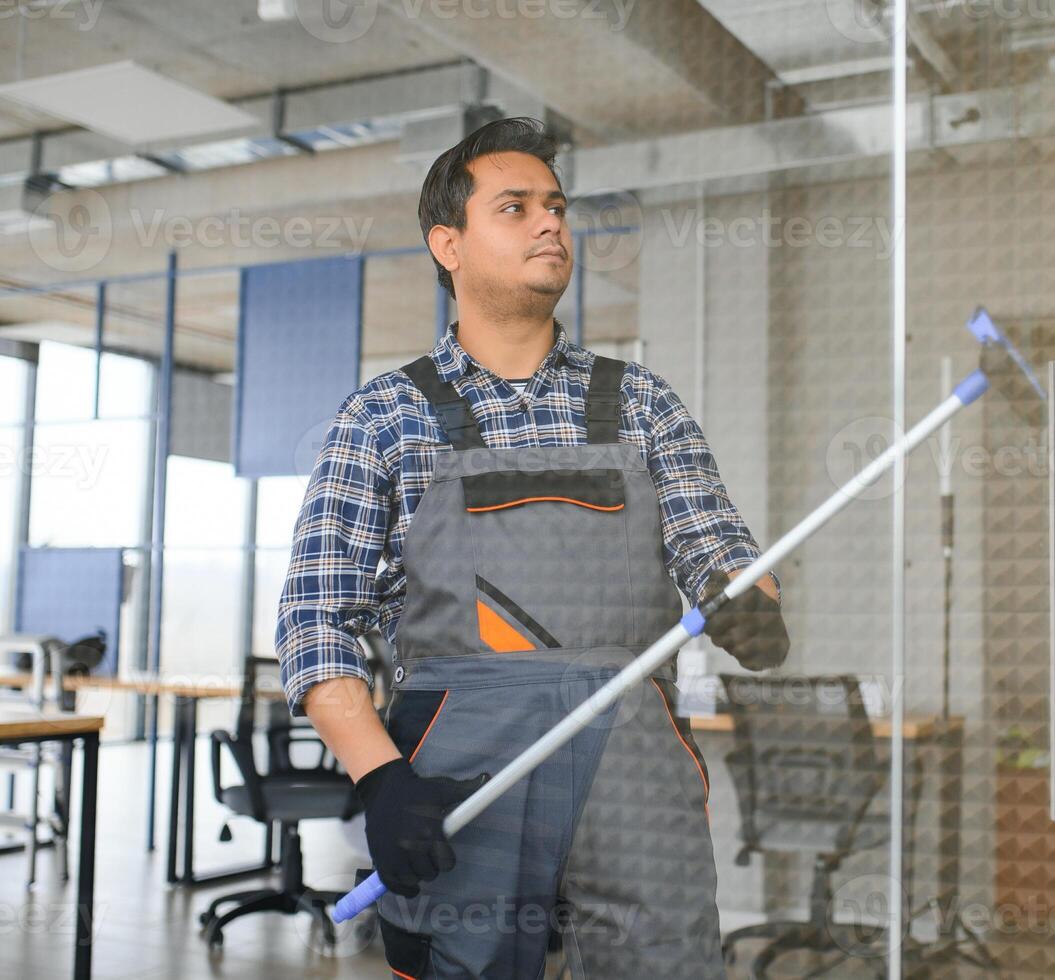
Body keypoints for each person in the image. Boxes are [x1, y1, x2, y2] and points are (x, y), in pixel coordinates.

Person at [276, 116, 788, 979]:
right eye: (514, 207)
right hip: (456, 764)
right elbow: (315, 620)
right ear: (449, 243)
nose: (550, 223)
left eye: (556, 206)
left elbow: (717, 549)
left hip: (633, 749)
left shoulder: (642, 404)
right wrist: (380, 779)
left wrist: (752, 602)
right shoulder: (383, 418)